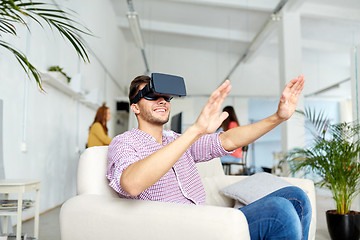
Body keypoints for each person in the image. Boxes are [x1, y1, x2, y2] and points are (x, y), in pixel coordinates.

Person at [107, 74, 311, 239]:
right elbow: (131, 184)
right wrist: (194, 131)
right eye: (151, 95)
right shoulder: (124, 142)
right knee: (280, 210)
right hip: (180, 230)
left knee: (296, 197)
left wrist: (278, 117)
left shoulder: (177, 139)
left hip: (207, 221)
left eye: (166, 97)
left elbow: (229, 140)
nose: (162, 100)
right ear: (135, 107)